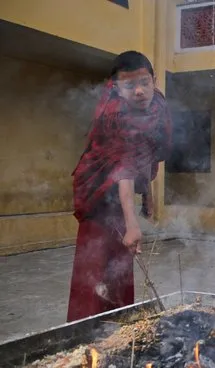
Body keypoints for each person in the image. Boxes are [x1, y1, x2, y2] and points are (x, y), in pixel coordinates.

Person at [67, 51, 172, 322]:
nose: (139, 91)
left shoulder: (158, 104)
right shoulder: (115, 113)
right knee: (96, 263)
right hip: (98, 193)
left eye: (145, 82)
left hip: (123, 191)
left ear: (154, 80)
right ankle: (84, 332)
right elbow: (122, 168)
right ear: (116, 87)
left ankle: (121, 324)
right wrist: (132, 222)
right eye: (129, 86)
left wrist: (147, 194)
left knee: (122, 261)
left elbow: (147, 151)